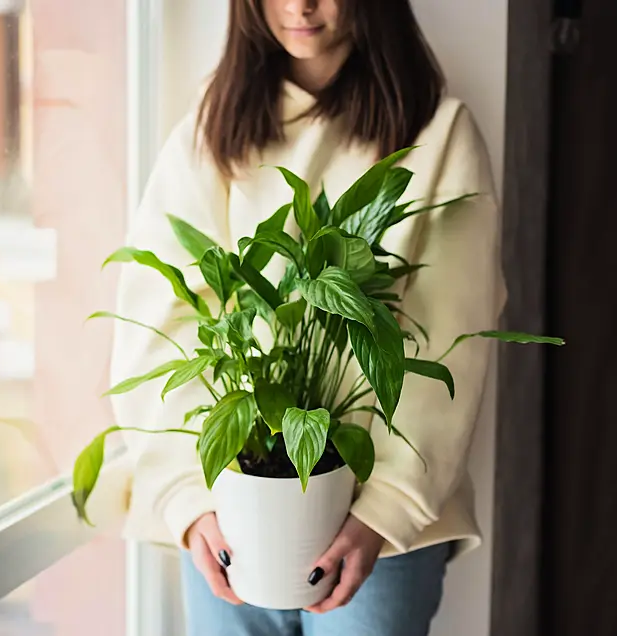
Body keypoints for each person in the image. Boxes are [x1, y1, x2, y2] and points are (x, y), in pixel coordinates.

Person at [109, 0, 505, 634]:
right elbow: (158, 326)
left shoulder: (437, 133)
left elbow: (450, 340)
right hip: (231, 515)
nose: (300, 5)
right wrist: (187, 500)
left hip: (378, 532)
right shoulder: (213, 129)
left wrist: (386, 512)